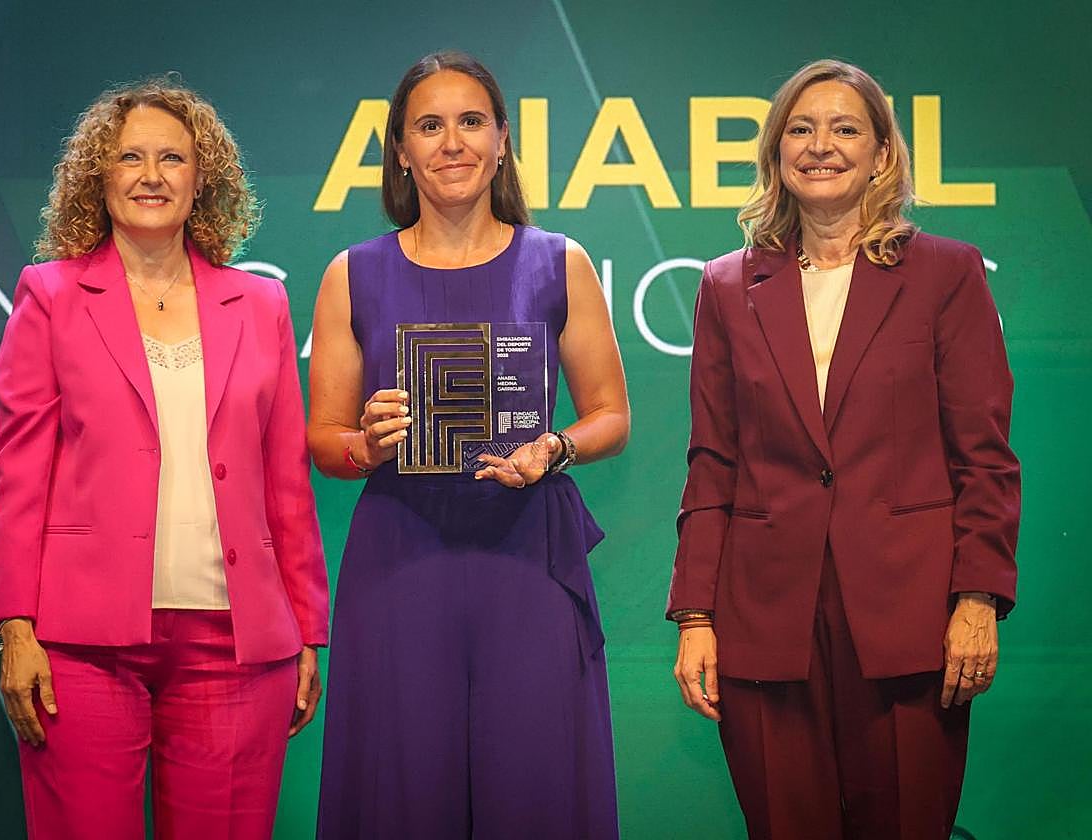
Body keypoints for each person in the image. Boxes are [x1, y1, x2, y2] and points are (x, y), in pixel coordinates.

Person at [668, 59, 1020, 840]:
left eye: (844, 128)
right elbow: (713, 461)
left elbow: (984, 455)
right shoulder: (728, 286)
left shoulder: (946, 273)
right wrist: (696, 614)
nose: (820, 145)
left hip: (912, 615)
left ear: (882, 155)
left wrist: (978, 596)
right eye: (801, 128)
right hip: (764, 619)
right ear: (775, 153)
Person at [0, 78, 329, 840]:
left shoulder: (260, 304)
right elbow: (18, 475)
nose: (150, 175)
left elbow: (285, 484)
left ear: (202, 179)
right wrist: (15, 623)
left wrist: (305, 629)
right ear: (97, 176)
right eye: (129, 157)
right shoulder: (50, 295)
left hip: (236, 645)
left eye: (172, 158)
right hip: (79, 642)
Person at [309, 51, 629, 838]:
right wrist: (370, 445)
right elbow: (325, 439)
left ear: (501, 140)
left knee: (537, 779)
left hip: (527, 558)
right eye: (429, 125)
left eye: (470, 122)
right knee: (401, 785)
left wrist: (552, 449)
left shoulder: (561, 262)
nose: (451, 142)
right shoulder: (351, 274)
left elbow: (610, 416)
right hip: (400, 560)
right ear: (400, 150)